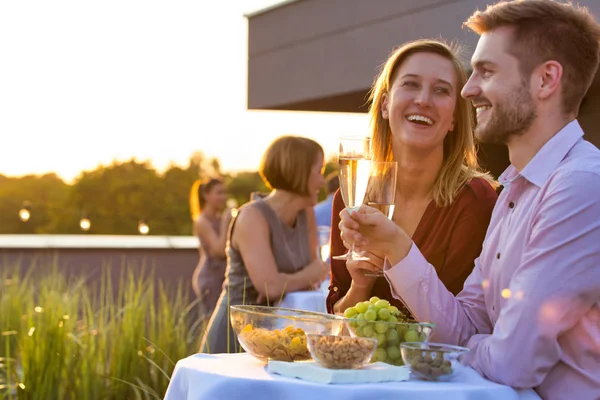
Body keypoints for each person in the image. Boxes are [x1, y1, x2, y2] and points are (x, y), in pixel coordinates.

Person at [339, 1, 600, 398]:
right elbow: (464, 327)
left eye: (487, 71)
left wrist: (477, 346)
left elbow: (513, 362)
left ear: (546, 80)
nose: (467, 89)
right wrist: (396, 246)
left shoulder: (580, 185)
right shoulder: (515, 189)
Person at [327, 39, 498, 317]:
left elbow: (464, 326)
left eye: (441, 90)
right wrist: (360, 285)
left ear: (454, 117)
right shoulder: (350, 200)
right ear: (385, 105)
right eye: (410, 84)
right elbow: (338, 322)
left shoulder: (476, 201)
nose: (423, 100)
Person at [200, 136, 330, 354]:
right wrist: (300, 277)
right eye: (319, 171)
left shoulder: (305, 211)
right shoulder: (252, 217)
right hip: (236, 335)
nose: (323, 181)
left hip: (276, 336)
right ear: (298, 172)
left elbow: (314, 275)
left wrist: (286, 282)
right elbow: (272, 286)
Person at [190, 177, 232, 321]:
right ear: (206, 195)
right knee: (211, 323)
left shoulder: (220, 218)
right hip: (210, 278)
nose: (223, 197)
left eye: (224, 193)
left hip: (222, 276)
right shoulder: (202, 221)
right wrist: (226, 221)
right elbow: (219, 251)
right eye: (219, 193)